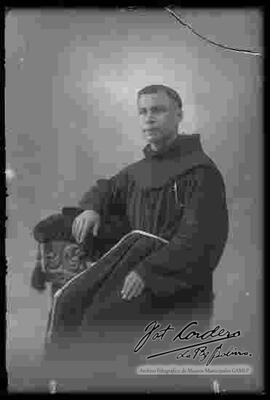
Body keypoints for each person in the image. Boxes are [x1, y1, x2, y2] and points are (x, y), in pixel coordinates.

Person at [34, 85, 229, 380]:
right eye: (143, 112)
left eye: (158, 110)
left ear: (179, 115)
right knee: (70, 303)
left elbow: (198, 239)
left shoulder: (201, 173)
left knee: (99, 322)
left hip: (173, 277)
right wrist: (92, 208)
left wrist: (148, 271)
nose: (149, 118)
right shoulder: (138, 171)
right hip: (130, 262)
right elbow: (106, 189)